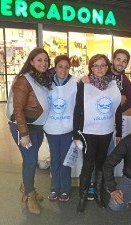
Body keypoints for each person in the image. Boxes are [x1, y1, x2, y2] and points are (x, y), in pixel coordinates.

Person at [82, 49, 131, 200]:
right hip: (92, 127)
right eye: (118, 59)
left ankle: (103, 184)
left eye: (124, 61)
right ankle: (92, 185)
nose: (121, 63)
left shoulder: (124, 80)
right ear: (112, 60)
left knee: (107, 158)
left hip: (109, 127)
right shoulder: (100, 73)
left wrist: (116, 111)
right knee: (92, 158)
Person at [73, 54, 122, 213]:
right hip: (88, 131)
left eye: (103, 65)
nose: (100, 69)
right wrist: (75, 133)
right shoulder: (84, 84)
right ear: (91, 68)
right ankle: (82, 196)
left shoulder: (113, 85)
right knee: (88, 164)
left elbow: (117, 109)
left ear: (108, 67)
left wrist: (119, 132)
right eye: (96, 65)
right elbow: (77, 109)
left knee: (102, 164)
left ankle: (100, 195)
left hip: (106, 131)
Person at [6, 48, 52, 214]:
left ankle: (26, 184)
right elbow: (17, 109)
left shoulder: (42, 79)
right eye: (39, 60)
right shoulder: (24, 81)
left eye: (46, 60)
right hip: (23, 127)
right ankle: (29, 195)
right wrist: (24, 134)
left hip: (37, 127)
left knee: (29, 159)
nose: (43, 63)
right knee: (32, 160)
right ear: (31, 62)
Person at [43, 55, 77, 202]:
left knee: (66, 160)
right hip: (51, 128)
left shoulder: (75, 83)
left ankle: (65, 189)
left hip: (68, 129)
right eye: (60, 66)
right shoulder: (46, 82)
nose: (63, 70)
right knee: (55, 158)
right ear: (54, 67)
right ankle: (54, 187)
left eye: (66, 67)